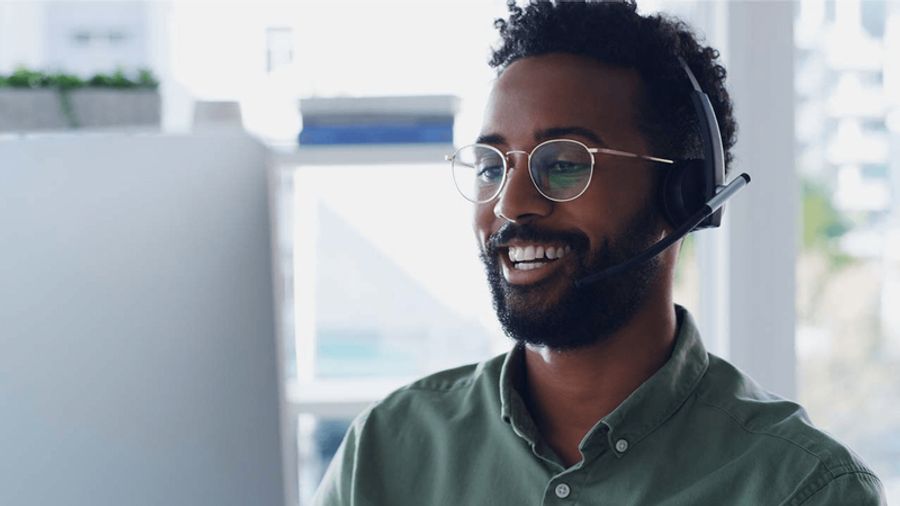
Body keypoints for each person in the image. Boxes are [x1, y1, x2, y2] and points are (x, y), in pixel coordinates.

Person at [313, 1, 886, 504]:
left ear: (681, 195)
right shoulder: (389, 451)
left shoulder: (803, 487)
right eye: (491, 166)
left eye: (563, 164)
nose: (511, 204)